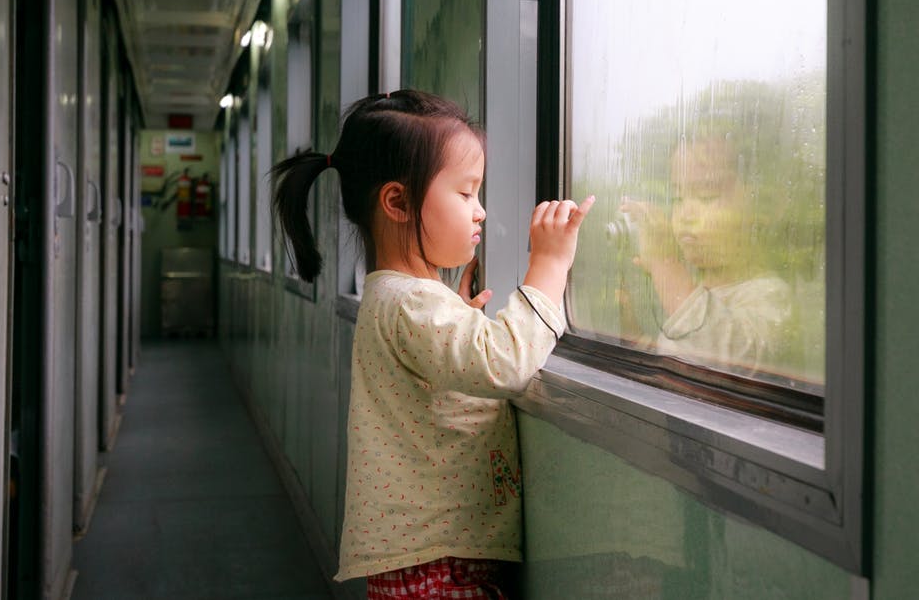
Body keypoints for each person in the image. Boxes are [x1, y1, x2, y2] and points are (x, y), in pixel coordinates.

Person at [272, 90, 594, 598]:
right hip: (440, 561)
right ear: (397, 202)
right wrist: (549, 266)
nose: (481, 211)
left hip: (431, 554)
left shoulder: (399, 297)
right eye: (466, 194)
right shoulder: (413, 303)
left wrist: (460, 318)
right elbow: (505, 362)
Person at [618, 136, 792, 374]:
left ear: (763, 208)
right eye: (678, 198)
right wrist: (635, 336)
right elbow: (677, 361)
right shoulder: (696, 291)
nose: (685, 214)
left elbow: (730, 358)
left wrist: (664, 263)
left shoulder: (769, 294)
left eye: (707, 197)